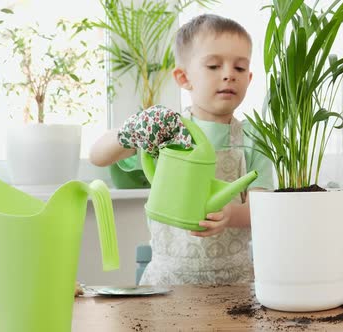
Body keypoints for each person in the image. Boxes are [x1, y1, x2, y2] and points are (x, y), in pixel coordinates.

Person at [89, 14, 274, 285]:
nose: (228, 75)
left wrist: (231, 215)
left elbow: (263, 208)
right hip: (166, 283)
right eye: (213, 66)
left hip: (235, 284)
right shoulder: (165, 130)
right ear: (184, 77)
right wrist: (132, 131)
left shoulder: (254, 137)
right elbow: (97, 156)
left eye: (239, 68)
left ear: (249, 77)